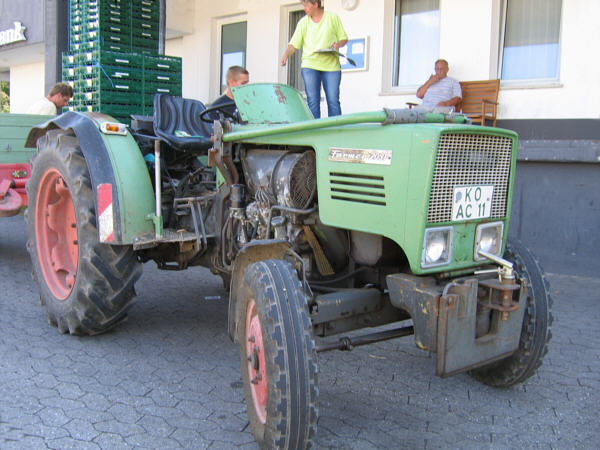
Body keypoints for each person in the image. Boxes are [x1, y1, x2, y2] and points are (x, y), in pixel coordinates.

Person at [280, 0, 348, 119]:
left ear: (316, 4)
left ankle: (336, 131)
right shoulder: (303, 23)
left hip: (331, 65)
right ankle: (315, 130)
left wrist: (337, 44)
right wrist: (286, 55)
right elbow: (294, 44)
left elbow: (343, 38)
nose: (304, 8)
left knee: (333, 100)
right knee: (312, 101)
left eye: (307, 5)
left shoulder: (332, 18)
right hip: (310, 65)